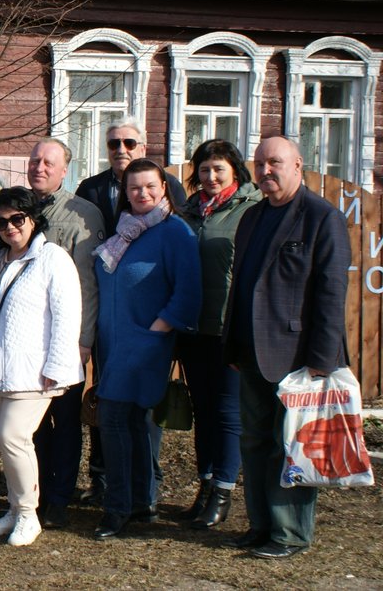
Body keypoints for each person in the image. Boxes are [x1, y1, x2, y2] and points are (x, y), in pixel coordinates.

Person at [221, 136, 350, 559]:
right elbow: (242, 286)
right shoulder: (253, 216)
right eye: (259, 164)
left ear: (298, 165)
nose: (265, 171)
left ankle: (289, 533)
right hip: (250, 354)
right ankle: (260, 525)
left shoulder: (322, 217)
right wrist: (233, 346)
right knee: (255, 442)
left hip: (297, 358)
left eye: (274, 162)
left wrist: (322, 360)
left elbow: (332, 292)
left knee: (290, 446)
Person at [75, 117, 185, 505]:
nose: (121, 149)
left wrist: (160, 326)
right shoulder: (94, 192)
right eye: (114, 143)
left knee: (143, 412)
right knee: (108, 405)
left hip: (148, 328)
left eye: (129, 142)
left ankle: (145, 488)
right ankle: (106, 481)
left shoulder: (170, 204)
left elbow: (183, 276)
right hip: (110, 322)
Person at [0, 187, 83, 546]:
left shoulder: (52, 258)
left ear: (33, 218)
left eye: (17, 218)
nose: (10, 227)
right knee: (4, 438)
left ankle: (29, 514)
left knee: (13, 436)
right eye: (1, 223)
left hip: (34, 368)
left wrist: (57, 365)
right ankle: (15, 510)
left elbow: (67, 315)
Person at [91, 159, 200, 540]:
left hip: (144, 344)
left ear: (164, 188)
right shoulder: (125, 231)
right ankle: (142, 500)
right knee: (134, 422)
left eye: (151, 186)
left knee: (113, 419)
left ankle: (116, 508)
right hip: (113, 342)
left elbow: (188, 292)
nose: (143, 194)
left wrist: (156, 331)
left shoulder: (175, 232)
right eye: (134, 187)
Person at [175, 140, 260, 529]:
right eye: (204, 169)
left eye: (218, 169)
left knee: (227, 413)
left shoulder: (249, 210)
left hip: (228, 328)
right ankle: (205, 484)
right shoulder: (190, 212)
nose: (210, 177)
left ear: (235, 171)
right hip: (195, 328)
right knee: (203, 410)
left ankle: (223, 491)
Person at [24, 139, 104, 529]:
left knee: (66, 421)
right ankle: (35, 491)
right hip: (26, 338)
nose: (39, 167)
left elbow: (88, 285)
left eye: (48, 162)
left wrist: (83, 340)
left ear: (64, 170)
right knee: (32, 422)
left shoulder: (82, 214)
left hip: (65, 339)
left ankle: (60, 496)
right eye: (35, 160)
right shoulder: (17, 208)